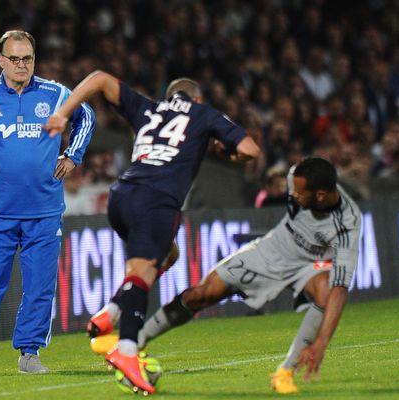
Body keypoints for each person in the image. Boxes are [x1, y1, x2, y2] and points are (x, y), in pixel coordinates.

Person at [44, 71, 260, 394]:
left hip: (122, 197)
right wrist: (227, 152)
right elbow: (250, 150)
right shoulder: (204, 114)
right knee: (142, 273)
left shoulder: (148, 108)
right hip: (157, 201)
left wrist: (62, 113)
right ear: (197, 99)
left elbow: (100, 78)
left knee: (169, 254)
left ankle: (111, 313)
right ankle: (127, 350)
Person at [0, 30, 95, 376]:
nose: (21, 65)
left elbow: (87, 116)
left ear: (34, 60)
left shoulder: (55, 94)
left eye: (27, 59)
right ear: (1, 61)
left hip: (44, 210)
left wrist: (73, 155)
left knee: (39, 287)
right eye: (15, 59)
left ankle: (30, 354)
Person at [136, 157, 361, 394]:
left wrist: (321, 343)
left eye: (300, 192)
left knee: (326, 292)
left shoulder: (347, 224)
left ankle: (286, 372)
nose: (292, 194)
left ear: (321, 196)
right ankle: (135, 343)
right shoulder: (297, 177)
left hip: (307, 265)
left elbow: (340, 290)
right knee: (201, 295)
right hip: (270, 250)